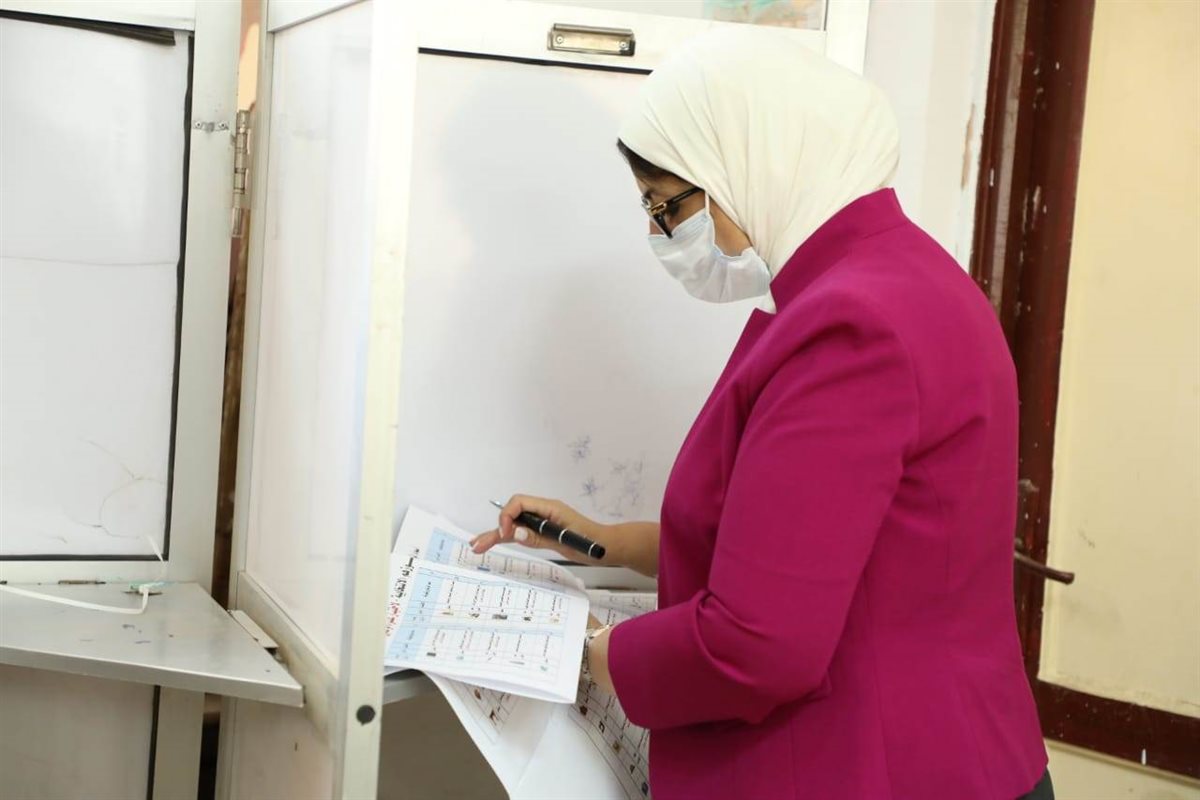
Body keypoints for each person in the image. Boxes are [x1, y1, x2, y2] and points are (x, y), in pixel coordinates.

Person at [471, 26, 1052, 800]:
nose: (658, 234)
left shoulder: (850, 328)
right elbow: (802, 551)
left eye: (666, 206)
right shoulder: (914, 278)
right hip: (957, 754)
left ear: (748, 161)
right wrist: (602, 542)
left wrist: (571, 649)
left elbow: (756, 645)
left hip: (882, 768)